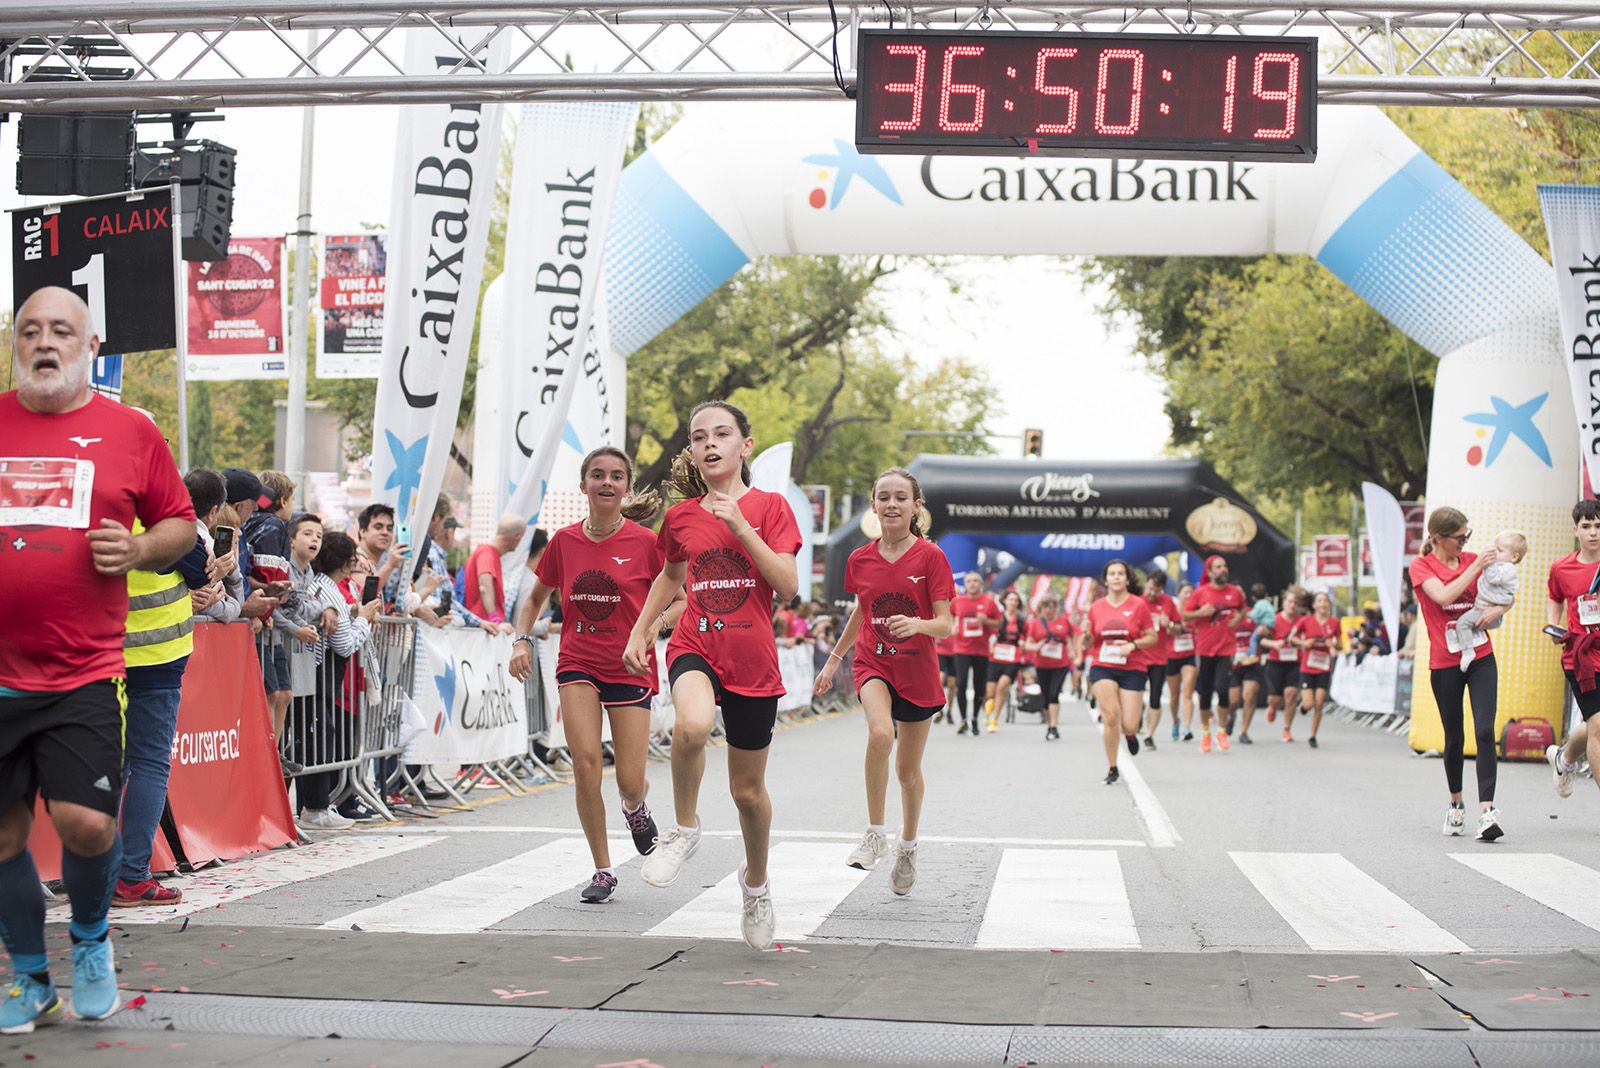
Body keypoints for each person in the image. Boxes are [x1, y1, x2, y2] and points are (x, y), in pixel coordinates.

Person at [0, 287, 196, 1032]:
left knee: (86, 824)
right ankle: (28, 976)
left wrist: (141, 548)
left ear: (89, 344)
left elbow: (179, 523)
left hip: (81, 670)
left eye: (61, 330)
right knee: (4, 838)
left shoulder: (129, 433)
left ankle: (89, 939)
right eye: (30, 331)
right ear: (16, 343)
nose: (44, 342)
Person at [623, 401, 800, 950]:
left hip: (752, 659)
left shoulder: (771, 508)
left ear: (745, 446)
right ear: (694, 451)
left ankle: (756, 885)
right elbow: (669, 575)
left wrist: (743, 528)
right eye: (700, 437)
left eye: (722, 434)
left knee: (747, 792)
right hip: (695, 642)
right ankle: (685, 829)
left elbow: (788, 585)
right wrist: (642, 628)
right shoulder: (680, 517)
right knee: (692, 727)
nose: (710, 444)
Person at [508, 448, 681, 903]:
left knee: (628, 778)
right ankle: (603, 869)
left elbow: (680, 599)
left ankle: (634, 806)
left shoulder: (646, 542)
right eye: (598, 475)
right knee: (585, 765)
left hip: (629, 664)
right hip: (578, 662)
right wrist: (521, 640)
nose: (607, 483)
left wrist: (651, 629)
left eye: (617, 476)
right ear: (583, 484)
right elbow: (533, 600)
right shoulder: (564, 543)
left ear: (627, 486)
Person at [816, 468, 953, 893]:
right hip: (872, 662)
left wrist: (917, 625)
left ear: (916, 506)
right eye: (884, 497)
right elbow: (862, 609)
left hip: (918, 670)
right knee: (879, 734)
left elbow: (946, 624)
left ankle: (907, 845)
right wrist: (834, 659)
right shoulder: (860, 559)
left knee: (907, 771)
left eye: (901, 498)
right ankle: (875, 833)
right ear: (873, 505)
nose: (892, 505)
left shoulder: (931, 557)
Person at [1410, 507, 1502, 841]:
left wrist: (1498, 609)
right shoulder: (1421, 566)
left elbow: (1504, 591)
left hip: (1480, 655)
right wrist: (1476, 566)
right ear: (1437, 538)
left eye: (1468, 536)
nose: (1465, 543)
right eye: (1459, 537)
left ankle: (1488, 812)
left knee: (1485, 729)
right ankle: (1456, 803)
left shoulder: (1473, 559)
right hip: (1445, 661)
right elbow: (1445, 595)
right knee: (1454, 736)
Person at [295, 530, 381, 830]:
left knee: (313, 737)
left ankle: (314, 806)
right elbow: (344, 644)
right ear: (347, 564)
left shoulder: (318, 585)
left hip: (310, 673)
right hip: (319, 674)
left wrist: (353, 610)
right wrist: (364, 619)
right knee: (321, 736)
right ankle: (315, 808)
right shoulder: (330, 590)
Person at [1545, 500, 1600, 800]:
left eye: (1598, 526)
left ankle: (1564, 759)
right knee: (1599, 725)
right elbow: (1554, 597)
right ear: (1575, 529)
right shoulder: (1562, 567)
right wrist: (1554, 625)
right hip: (1581, 655)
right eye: (1587, 526)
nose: (1593, 533)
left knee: (1592, 724)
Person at [1086, 560, 1159, 785]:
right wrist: (1085, 637)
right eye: (1112, 574)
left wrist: (1133, 645)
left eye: (1120, 574)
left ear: (1127, 579)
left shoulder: (1138, 605)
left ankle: (1130, 734)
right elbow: (1089, 642)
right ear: (1106, 579)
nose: (1116, 577)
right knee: (1110, 715)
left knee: (1128, 723)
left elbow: (1152, 637)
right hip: (1103, 665)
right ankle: (1112, 767)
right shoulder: (1096, 607)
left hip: (1132, 667)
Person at [1181, 557, 1246, 753]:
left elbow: (1243, 608)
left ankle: (1221, 731)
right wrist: (1200, 613)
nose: (1223, 569)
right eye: (1218, 567)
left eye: (1225, 566)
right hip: (1205, 649)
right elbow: (1184, 615)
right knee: (1206, 693)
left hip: (1226, 648)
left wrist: (1238, 618)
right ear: (1210, 572)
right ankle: (1206, 732)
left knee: (1223, 689)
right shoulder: (1201, 593)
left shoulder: (1234, 592)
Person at [1456, 531, 1526, 671]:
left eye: (1499, 550)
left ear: (1513, 557)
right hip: (1483, 608)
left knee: (1462, 624)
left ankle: (1468, 652)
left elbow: (1492, 577)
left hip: (1485, 611)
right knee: (1468, 624)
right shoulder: (1501, 566)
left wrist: (1486, 563)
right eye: (1494, 548)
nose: (1494, 553)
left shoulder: (1507, 569)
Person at [948, 572, 1000, 735]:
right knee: (961, 684)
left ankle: (975, 718)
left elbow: (999, 623)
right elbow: (948, 617)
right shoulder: (958, 602)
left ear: (981, 584)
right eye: (969, 581)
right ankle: (963, 720)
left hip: (981, 650)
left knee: (979, 687)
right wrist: (953, 627)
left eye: (976, 581)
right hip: (962, 649)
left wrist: (986, 621)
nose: (972, 584)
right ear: (965, 584)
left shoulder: (989, 602)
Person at [1288, 591, 1340, 749]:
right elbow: (1292, 638)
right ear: (1314, 605)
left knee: (1319, 702)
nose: (1323, 604)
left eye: (1325, 601)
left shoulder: (1334, 622)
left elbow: (1339, 644)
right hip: (1308, 667)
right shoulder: (1306, 621)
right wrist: (1304, 644)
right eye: (1320, 601)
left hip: (1324, 667)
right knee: (1309, 703)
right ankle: (1303, 707)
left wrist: (1334, 645)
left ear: (1328, 604)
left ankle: (1312, 735)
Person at [1026, 595, 1076, 741]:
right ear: (1041, 609)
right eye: (1046, 607)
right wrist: (1036, 646)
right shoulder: (1036, 624)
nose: (1049, 610)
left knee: (1054, 693)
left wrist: (1073, 650)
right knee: (1046, 696)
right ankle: (1050, 724)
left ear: (1056, 608)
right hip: (1042, 664)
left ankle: (1053, 726)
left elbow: (1070, 637)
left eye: (1052, 607)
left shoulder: (1063, 621)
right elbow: (1029, 643)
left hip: (1060, 663)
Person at [1261, 588, 1305, 743]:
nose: (1292, 605)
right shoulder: (1274, 619)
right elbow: (1261, 640)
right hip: (1276, 662)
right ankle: (1272, 707)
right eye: (1289, 602)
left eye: (1296, 603)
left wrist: (1301, 643)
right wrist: (1274, 643)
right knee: (1275, 699)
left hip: (1295, 662)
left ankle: (1287, 729)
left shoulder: (1302, 621)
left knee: (1291, 694)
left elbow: (1307, 639)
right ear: (1284, 603)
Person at [1141, 572, 1179, 750]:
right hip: (1138, 658)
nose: (1151, 593)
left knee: (1154, 698)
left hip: (1158, 659)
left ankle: (1149, 735)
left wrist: (1169, 625)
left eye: (1155, 590)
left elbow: (1178, 630)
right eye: (1149, 588)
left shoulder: (1168, 603)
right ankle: (1137, 715)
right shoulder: (1138, 602)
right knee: (1134, 697)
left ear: (1161, 590)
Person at [464, 514, 526, 624]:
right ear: (517, 537)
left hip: (484, 624)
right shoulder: (487, 553)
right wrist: (493, 618)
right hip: (485, 625)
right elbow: (484, 586)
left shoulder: (488, 553)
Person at [984, 590, 1027, 733]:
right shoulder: (998, 617)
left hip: (1012, 658)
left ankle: (994, 720)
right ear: (1005, 601)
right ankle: (988, 710)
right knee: (990, 692)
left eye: (1016, 600)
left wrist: (1022, 643)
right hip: (995, 657)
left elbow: (1026, 636)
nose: (1013, 603)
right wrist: (990, 642)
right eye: (1011, 600)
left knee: (1002, 687)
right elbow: (989, 632)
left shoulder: (1021, 620)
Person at [1228, 607, 1266, 746]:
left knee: (1249, 695)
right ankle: (1231, 716)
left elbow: (1268, 630)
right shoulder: (1227, 615)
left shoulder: (1254, 614)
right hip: (1234, 663)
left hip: (1252, 661)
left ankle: (1244, 732)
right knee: (1234, 700)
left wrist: (1265, 631)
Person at [1166, 580, 1198, 741]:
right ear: (1178, 594)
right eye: (1185, 592)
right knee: (1174, 696)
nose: (1189, 595)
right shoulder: (1172, 611)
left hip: (1189, 655)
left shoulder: (1195, 613)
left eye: (1191, 592)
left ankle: (1187, 727)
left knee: (1188, 692)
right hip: (1171, 656)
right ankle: (1175, 721)